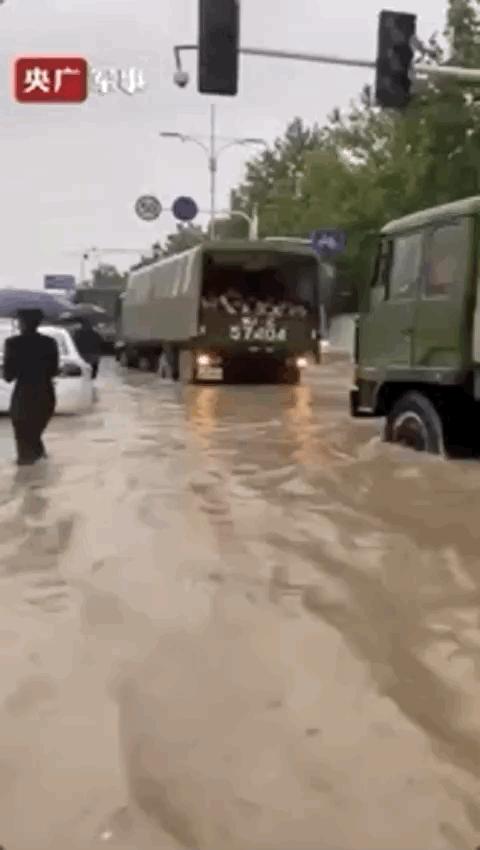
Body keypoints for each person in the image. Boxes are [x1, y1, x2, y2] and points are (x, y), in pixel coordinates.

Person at [3, 309, 59, 466]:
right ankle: (39, 479)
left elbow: (8, 376)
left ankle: (28, 484)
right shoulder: (50, 342)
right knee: (34, 438)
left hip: (23, 397)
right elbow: (54, 371)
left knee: (24, 445)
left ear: (21, 323)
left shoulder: (12, 343)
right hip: (46, 396)